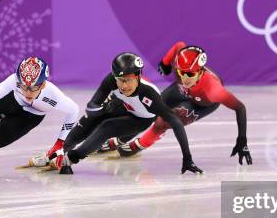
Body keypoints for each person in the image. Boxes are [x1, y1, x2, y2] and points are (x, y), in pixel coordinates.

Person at [99, 42, 252, 165]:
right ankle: (121, 138)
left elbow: (240, 107)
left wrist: (242, 140)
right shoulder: (180, 65)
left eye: (190, 74)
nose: (185, 78)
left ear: (200, 71)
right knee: (148, 108)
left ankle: (139, 145)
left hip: (201, 103)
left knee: (164, 121)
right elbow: (179, 45)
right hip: (180, 91)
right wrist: (165, 63)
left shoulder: (214, 90)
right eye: (180, 72)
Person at [51, 52, 202, 174]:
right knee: (91, 119)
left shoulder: (149, 95)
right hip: (123, 106)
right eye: (120, 80)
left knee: (106, 127)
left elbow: (175, 122)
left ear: (138, 77)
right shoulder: (111, 80)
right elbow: (92, 106)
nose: (124, 85)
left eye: (129, 80)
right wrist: (104, 109)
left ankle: (71, 158)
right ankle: (58, 151)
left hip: (140, 119)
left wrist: (187, 158)